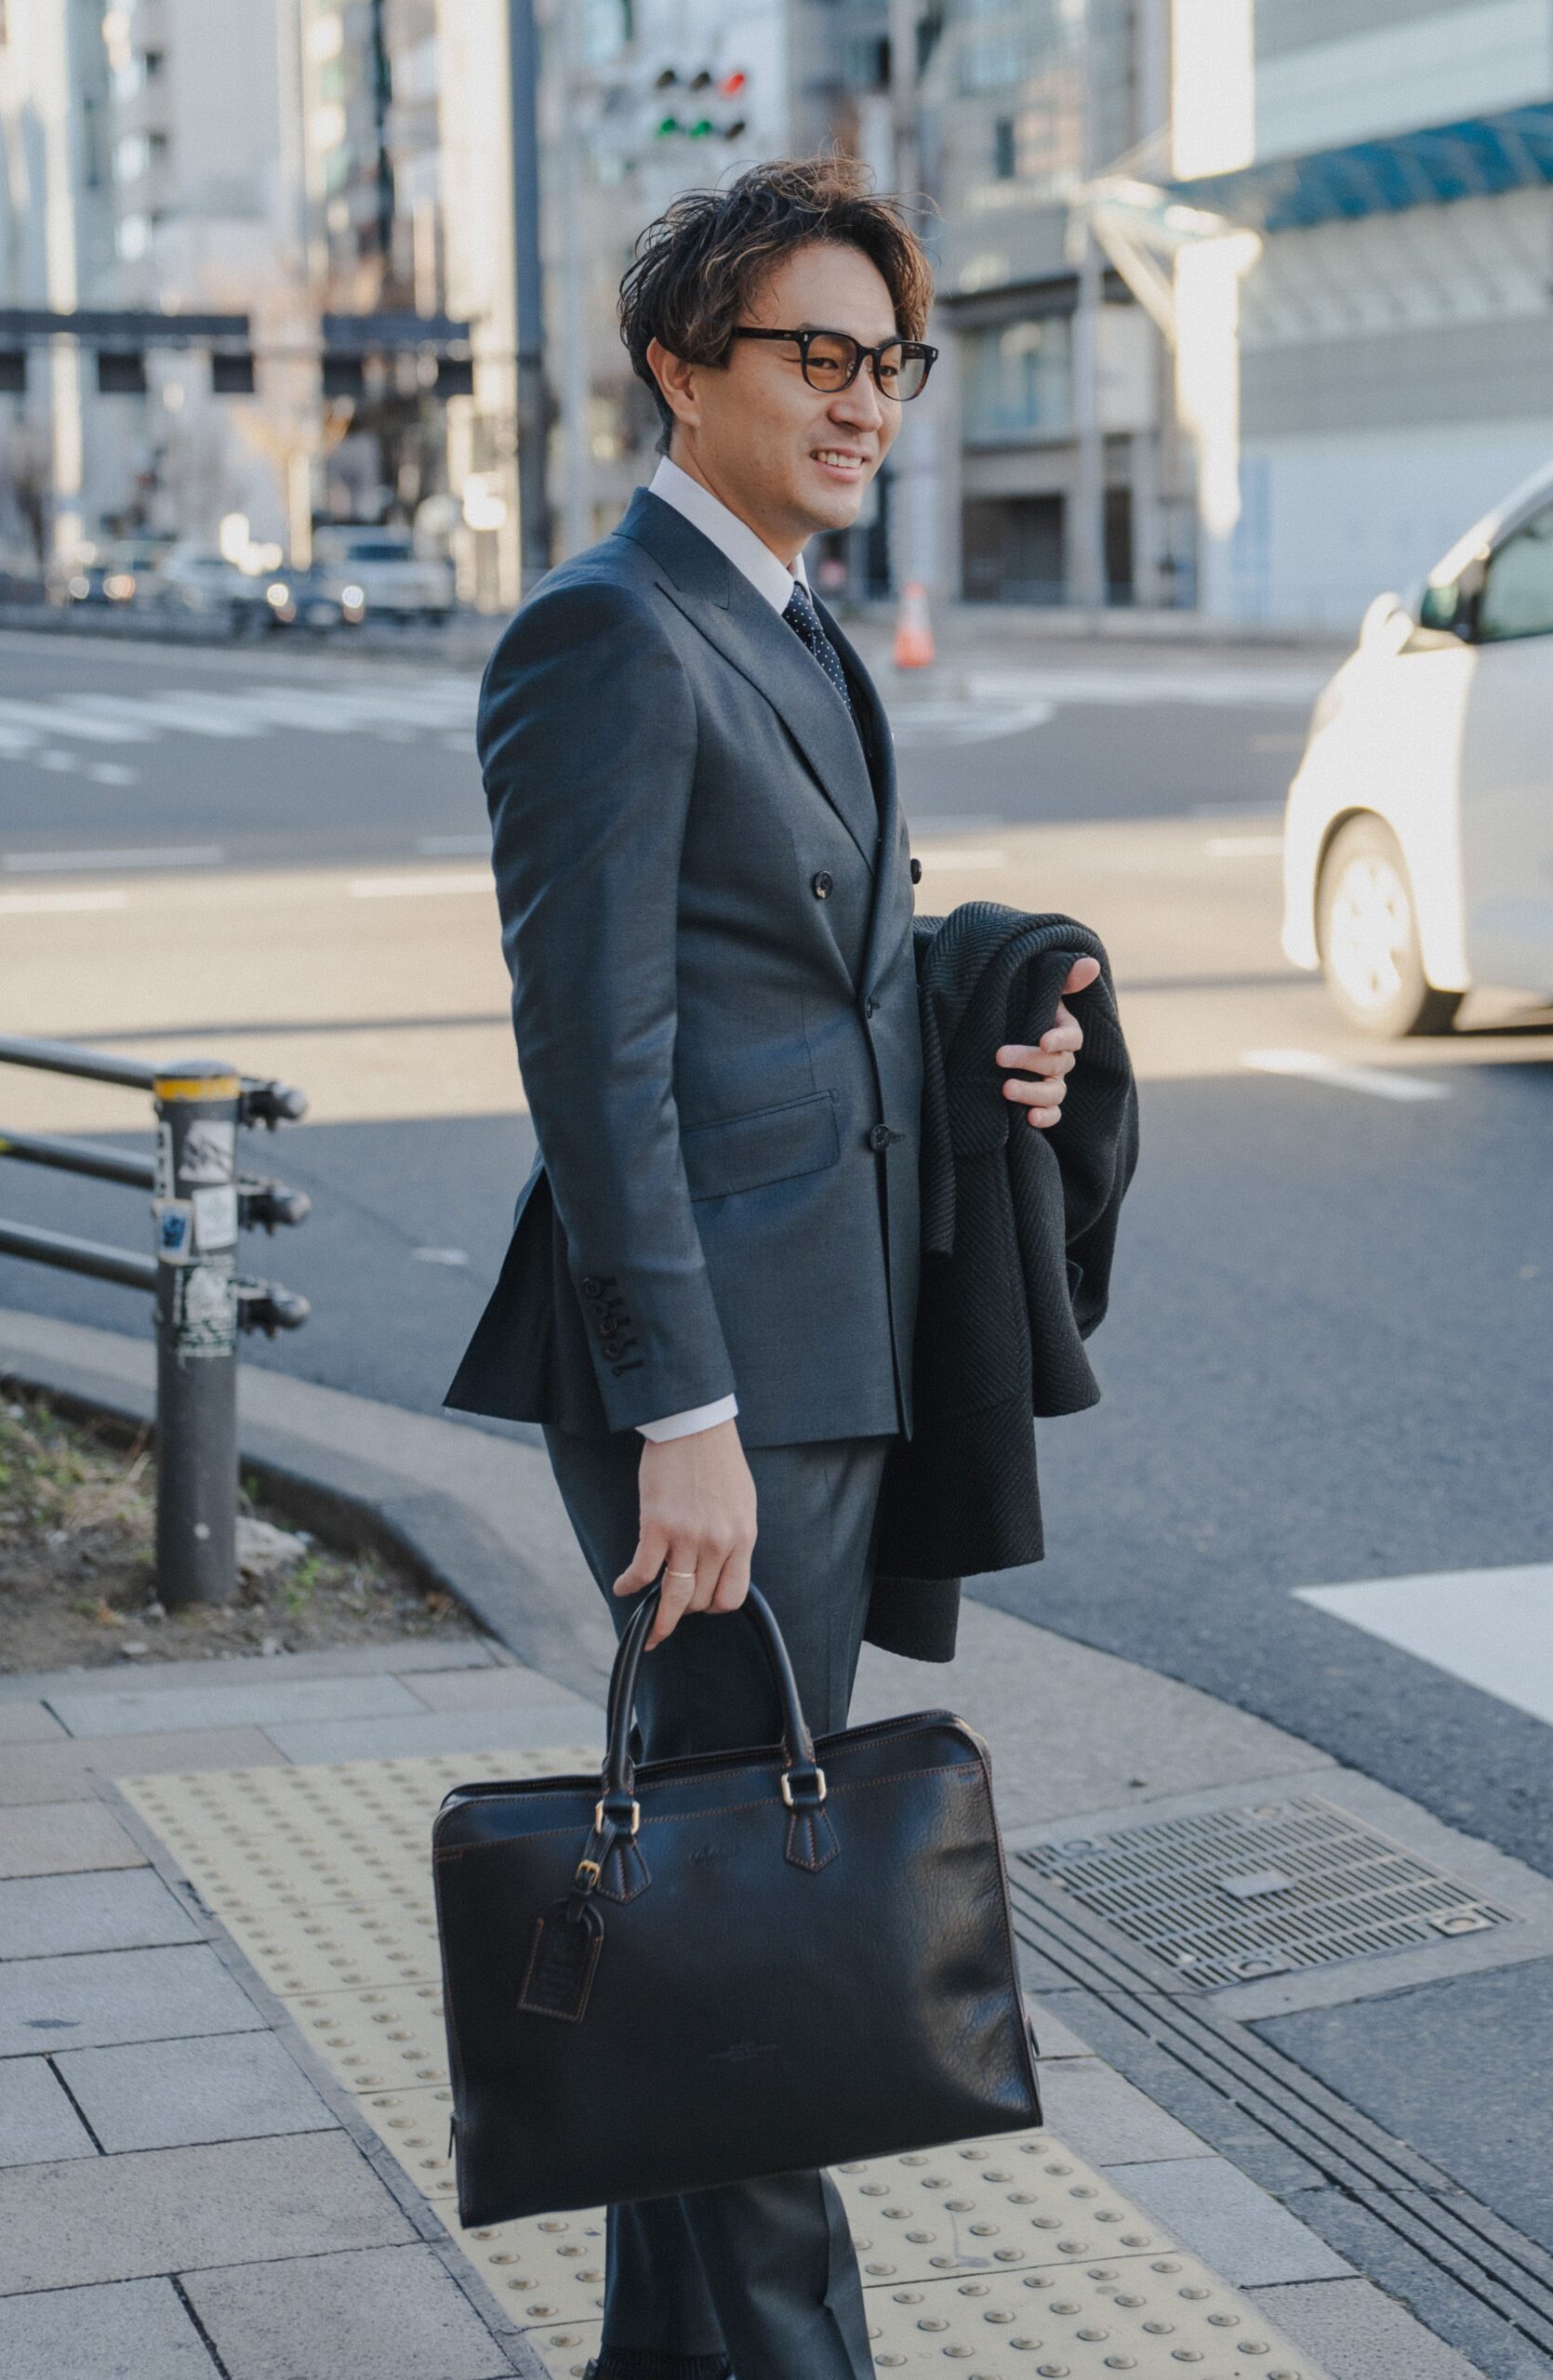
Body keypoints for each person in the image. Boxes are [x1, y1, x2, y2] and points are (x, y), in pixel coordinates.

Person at [445, 154, 1098, 2380]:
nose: (863, 404)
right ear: (678, 366)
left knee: (731, 1883)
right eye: (814, 356)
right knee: (748, 1913)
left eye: (888, 364)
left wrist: (990, 1011)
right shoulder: (605, 632)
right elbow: (594, 1060)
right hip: (718, 1372)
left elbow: (808, 962)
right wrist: (682, 1415)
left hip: (829, 1333)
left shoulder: (792, 620)